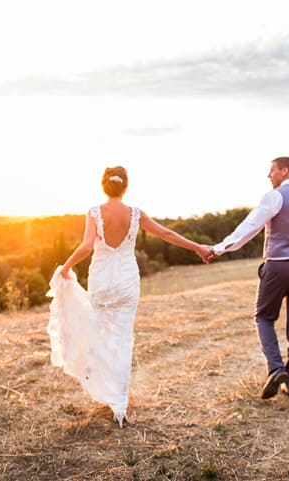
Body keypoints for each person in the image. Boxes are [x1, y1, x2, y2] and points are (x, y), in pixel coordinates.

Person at [46, 166, 214, 427]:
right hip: (126, 282)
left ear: (104, 186)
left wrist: (66, 267)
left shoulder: (94, 213)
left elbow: (87, 246)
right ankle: (119, 402)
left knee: (101, 334)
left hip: (101, 280)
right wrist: (198, 248)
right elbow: (167, 234)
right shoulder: (136, 214)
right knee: (122, 339)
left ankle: (106, 390)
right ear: (125, 187)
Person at [209, 157, 289, 400]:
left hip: (277, 266)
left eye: (272, 170)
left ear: (285, 171)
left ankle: (276, 368)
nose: (268, 175)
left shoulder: (275, 197)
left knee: (264, 317)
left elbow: (250, 226)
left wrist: (219, 248)